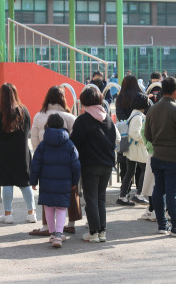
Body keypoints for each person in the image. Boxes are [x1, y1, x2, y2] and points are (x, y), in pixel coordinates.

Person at [144, 77, 176, 239]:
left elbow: (147, 135)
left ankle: (162, 224)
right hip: (174, 158)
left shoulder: (152, 110)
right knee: (172, 193)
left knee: (158, 190)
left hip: (157, 157)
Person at [70, 86, 120, 243]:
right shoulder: (108, 119)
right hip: (107, 164)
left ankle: (93, 232)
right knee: (100, 198)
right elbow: (116, 140)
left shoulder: (83, 120)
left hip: (90, 165)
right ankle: (102, 232)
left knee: (90, 198)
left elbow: (73, 142)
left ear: (84, 102)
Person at [29, 86, 80, 236]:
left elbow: (34, 140)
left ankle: (47, 227)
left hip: (46, 163)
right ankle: (70, 224)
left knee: (47, 196)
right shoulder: (70, 117)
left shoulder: (39, 116)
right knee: (71, 192)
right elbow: (75, 141)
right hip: (66, 163)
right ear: (63, 99)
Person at [0, 83, 36, 224]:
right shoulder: (24, 111)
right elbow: (28, 129)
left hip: (3, 153)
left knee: (6, 183)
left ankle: (8, 215)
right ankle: (31, 213)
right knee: (24, 183)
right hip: (21, 153)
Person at [115, 75, 145, 202]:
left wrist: (126, 122)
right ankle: (140, 190)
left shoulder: (120, 97)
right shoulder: (140, 96)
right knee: (141, 165)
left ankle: (124, 192)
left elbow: (120, 115)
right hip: (137, 134)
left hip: (124, 134)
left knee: (125, 164)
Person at [117, 93, 150, 206]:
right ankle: (139, 195)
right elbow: (134, 133)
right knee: (145, 170)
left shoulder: (133, 114)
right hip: (137, 148)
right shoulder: (138, 117)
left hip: (131, 148)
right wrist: (145, 140)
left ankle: (122, 196)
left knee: (130, 172)